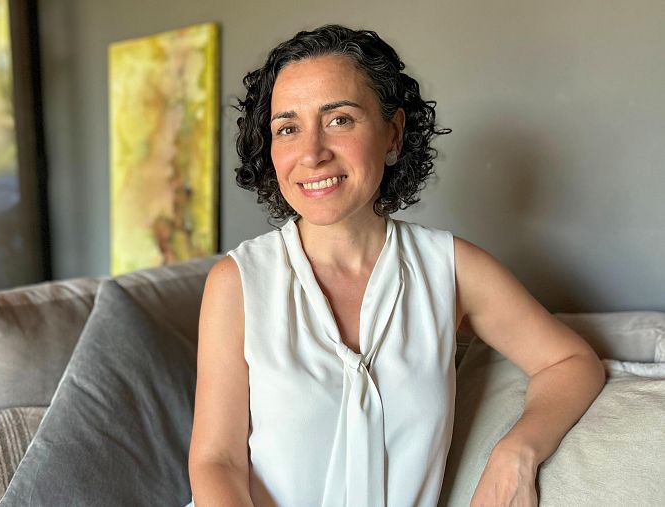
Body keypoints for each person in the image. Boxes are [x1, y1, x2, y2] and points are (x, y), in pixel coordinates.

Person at [187, 25, 605, 507]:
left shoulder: (451, 269)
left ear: (393, 133)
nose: (312, 153)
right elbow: (216, 462)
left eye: (339, 119)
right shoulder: (237, 283)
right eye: (287, 128)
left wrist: (517, 454)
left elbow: (571, 363)